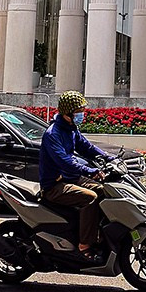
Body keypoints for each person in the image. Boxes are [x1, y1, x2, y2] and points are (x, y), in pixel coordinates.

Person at [40, 91, 112, 260]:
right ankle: (84, 244)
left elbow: (87, 147)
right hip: (54, 185)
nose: (82, 115)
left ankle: (98, 233)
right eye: (79, 111)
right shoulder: (53, 134)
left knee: (104, 190)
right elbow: (65, 162)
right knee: (91, 197)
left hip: (70, 179)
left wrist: (108, 157)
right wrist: (90, 171)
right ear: (67, 113)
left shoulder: (71, 129)